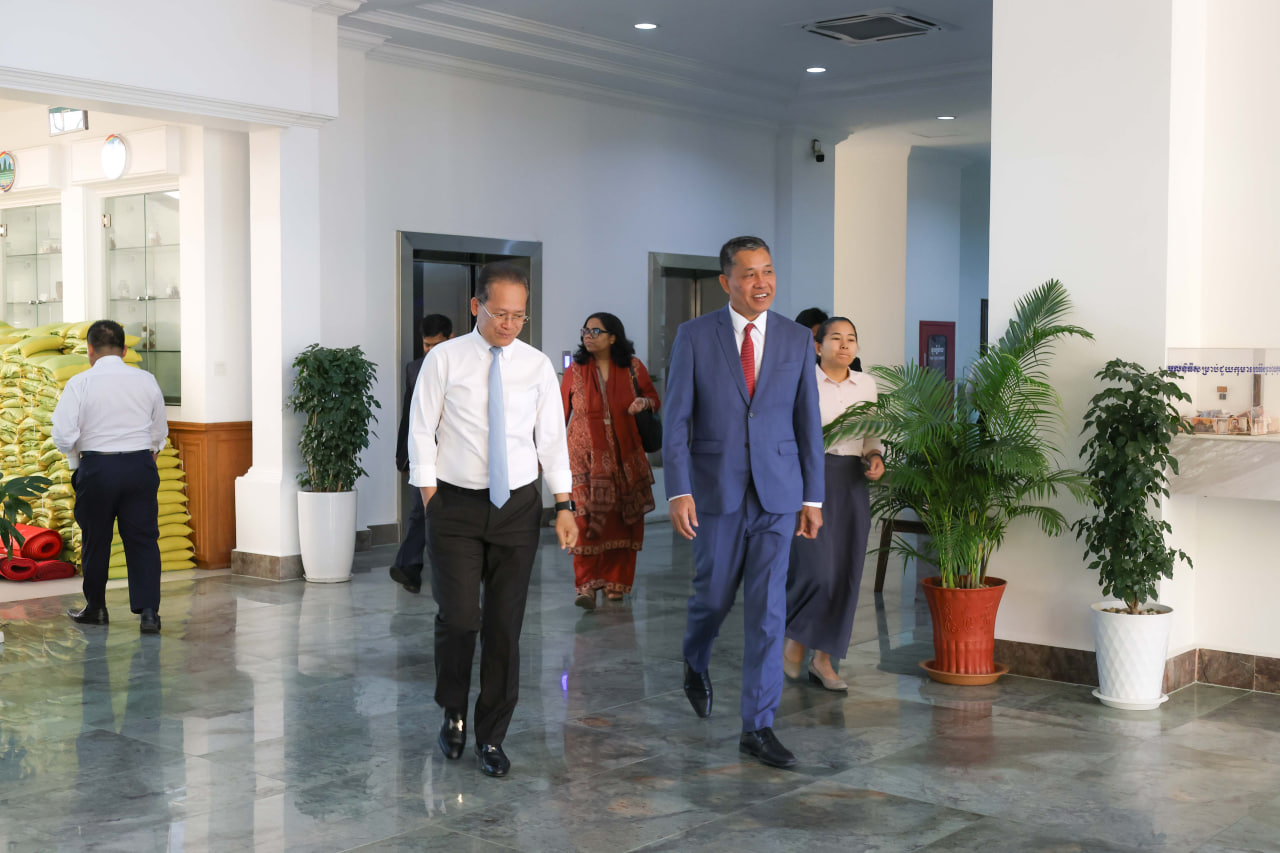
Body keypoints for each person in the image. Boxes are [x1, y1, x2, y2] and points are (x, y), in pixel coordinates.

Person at [408, 262, 577, 778]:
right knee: (460, 618)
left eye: (519, 315)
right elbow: (421, 429)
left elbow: (552, 438)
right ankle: (453, 710)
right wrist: (431, 499)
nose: (509, 324)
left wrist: (564, 504)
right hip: (454, 505)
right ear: (475, 306)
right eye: (500, 313)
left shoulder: (536, 366)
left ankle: (492, 736)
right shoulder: (444, 359)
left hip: (517, 506)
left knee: (505, 626)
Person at [663, 235, 824, 769]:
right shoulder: (694, 336)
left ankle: (758, 726)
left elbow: (807, 423)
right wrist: (679, 490)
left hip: (778, 494)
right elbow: (676, 420)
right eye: (750, 273)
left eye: (768, 271)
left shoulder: (797, 338)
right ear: (725, 281)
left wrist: (812, 496)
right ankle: (695, 657)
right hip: (716, 491)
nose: (762, 282)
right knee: (712, 598)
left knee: (769, 612)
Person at [783, 317, 885, 691]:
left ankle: (823, 660)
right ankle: (796, 636)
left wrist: (876, 456)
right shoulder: (801, 381)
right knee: (816, 570)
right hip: (809, 478)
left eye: (851, 339)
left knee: (846, 573)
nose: (844, 345)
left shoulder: (866, 385)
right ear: (817, 346)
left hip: (852, 480)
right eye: (836, 338)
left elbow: (872, 435)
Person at [52, 320, 168, 634]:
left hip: (97, 468)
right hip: (139, 467)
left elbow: (62, 435)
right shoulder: (146, 380)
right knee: (143, 539)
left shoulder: (80, 383)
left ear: (90, 350)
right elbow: (159, 430)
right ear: (125, 350)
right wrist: (147, 455)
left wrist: (76, 461)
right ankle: (149, 613)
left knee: (96, 540)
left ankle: (96, 609)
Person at [559, 312, 659, 609]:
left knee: (623, 520)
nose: (588, 336)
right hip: (584, 459)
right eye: (585, 331)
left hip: (624, 456)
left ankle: (616, 583)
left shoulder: (633, 367)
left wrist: (643, 402)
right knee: (584, 520)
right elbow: (559, 412)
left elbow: (653, 398)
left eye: (595, 331)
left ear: (613, 337)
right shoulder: (575, 370)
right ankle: (586, 586)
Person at [390, 313, 453, 593]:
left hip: (454, 453)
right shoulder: (414, 369)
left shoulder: (463, 366)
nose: (431, 350)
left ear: (450, 338)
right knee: (419, 510)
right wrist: (402, 454)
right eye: (427, 345)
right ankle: (409, 567)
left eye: (436, 344)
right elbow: (409, 415)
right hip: (423, 452)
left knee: (447, 513)